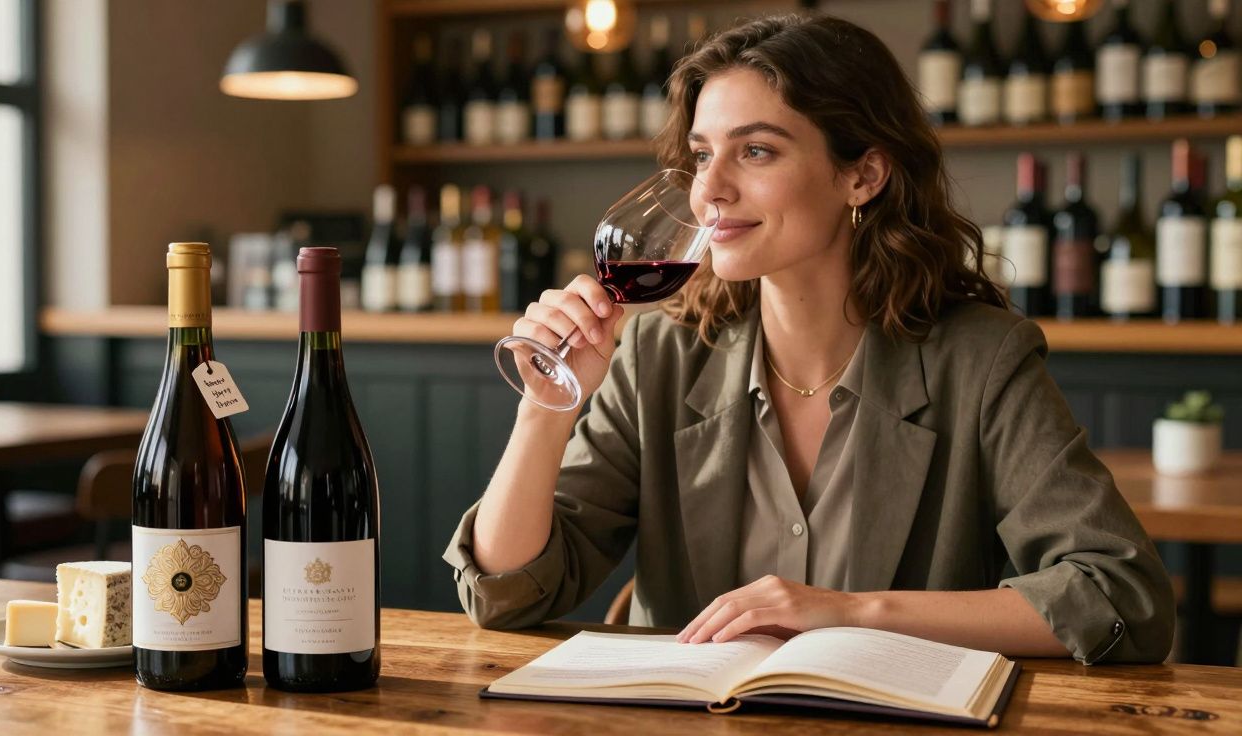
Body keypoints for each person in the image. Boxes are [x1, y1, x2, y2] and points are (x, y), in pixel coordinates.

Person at [442, 13, 1174, 664]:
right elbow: (506, 593)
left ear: (863, 175)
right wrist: (547, 405)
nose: (710, 190)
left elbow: (1121, 595)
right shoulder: (658, 353)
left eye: (756, 151)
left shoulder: (981, 360)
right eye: (702, 155)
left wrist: (853, 614)